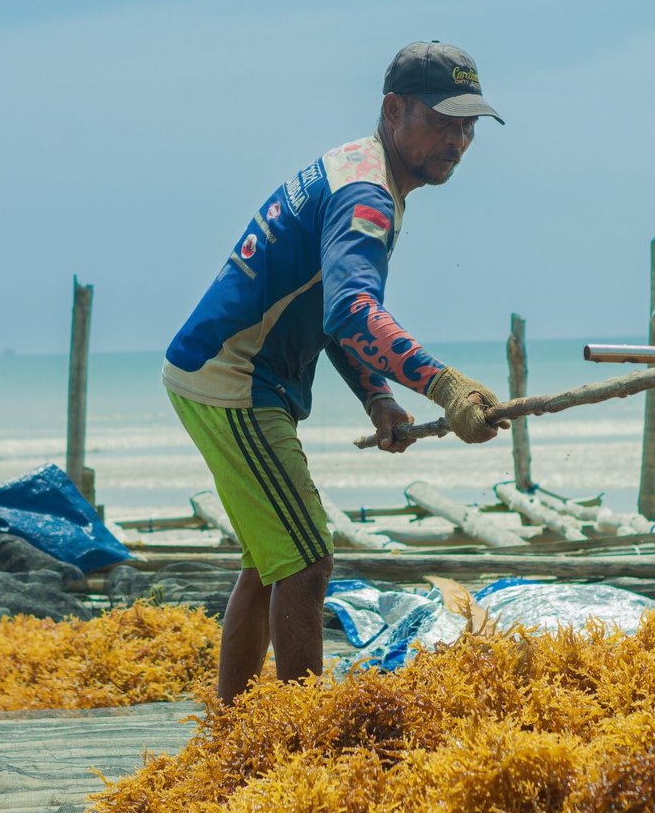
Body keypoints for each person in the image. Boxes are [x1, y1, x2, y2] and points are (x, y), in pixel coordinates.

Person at [163, 41, 508, 704]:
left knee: (271, 561)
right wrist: (448, 386)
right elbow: (353, 310)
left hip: (215, 371)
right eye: (442, 120)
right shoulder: (367, 195)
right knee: (310, 558)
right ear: (394, 109)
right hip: (235, 380)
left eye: (469, 125)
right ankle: (303, 746)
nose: (459, 140)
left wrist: (378, 398)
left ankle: (232, 728)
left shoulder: (360, 168)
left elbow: (329, 308)